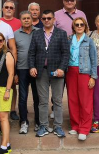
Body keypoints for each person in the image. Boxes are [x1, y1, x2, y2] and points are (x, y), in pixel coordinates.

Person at [28, 10, 70, 138]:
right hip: (41, 71)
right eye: (44, 18)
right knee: (43, 101)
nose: (47, 20)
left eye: (49, 18)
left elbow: (66, 53)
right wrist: (32, 67)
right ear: (41, 20)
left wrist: (62, 68)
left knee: (57, 100)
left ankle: (58, 126)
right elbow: (31, 53)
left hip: (57, 71)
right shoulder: (36, 34)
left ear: (54, 19)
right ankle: (44, 126)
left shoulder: (61, 34)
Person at [65, 17, 97, 141]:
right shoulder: (69, 40)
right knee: (73, 99)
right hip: (71, 72)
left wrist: (93, 77)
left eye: (81, 24)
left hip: (84, 72)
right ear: (73, 26)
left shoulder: (89, 41)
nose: (79, 26)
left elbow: (94, 60)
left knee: (85, 101)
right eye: (77, 24)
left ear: (85, 26)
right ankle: (75, 125)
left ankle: (84, 128)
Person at [14, 11, 39, 134]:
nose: (26, 20)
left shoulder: (39, 32)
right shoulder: (15, 34)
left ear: (32, 19)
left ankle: (38, 122)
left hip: (36, 69)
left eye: (28, 18)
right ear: (21, 20)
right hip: (22, 69)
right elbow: (13, 53)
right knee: (23, 97)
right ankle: (23, 122)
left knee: (37, 97)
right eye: (24, 18)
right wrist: (15, 73)